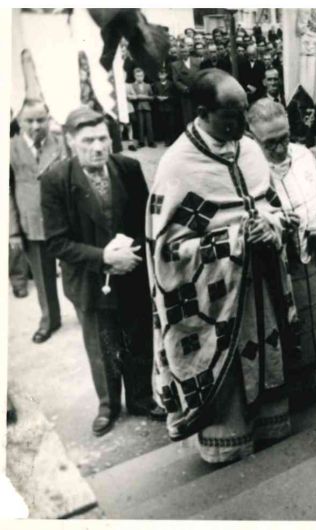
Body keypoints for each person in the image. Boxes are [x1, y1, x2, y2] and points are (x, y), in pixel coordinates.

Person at [147, 69, 295, 462]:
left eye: (244, 113)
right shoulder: (178, 165)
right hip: (214, 299)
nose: (241, 125)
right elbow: (168, 251)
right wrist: (233, 241)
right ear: (202, 113)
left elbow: (274, 205)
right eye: (231, 117)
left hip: (260, 282)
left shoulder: (249, 150)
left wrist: (272, 224)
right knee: (226, 368)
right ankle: (228, 444)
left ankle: (269, 426)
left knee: (266, 348)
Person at [40, 107, 164, 436]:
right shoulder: (56, 181)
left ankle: (141, 397)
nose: (98, 147)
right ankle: (108, 404)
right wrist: (104, 258)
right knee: (102, 343)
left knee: (137, 336)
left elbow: (145, 221)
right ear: (70, 141)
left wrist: (131, 253)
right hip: (89, 280)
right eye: (88, 141)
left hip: (132, 271)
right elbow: (56, 242)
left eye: (103, 138)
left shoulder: (128, 168)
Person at [246, 99, 316, 409]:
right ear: (252, 137)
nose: (279, 148)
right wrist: (277, 225)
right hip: (280, 264)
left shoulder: (303, 156)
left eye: (284, 138)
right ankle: (297, 394)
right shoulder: (248, 170)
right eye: (270, 143)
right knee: (291, 324)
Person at [9, 99, 67, 343]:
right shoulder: (9, 148)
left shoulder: (61, 143)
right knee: (43, 277)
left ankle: (87, 315)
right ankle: (50, 319)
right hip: (31, 221)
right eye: (29, 120)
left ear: (48, 118)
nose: (36, 126)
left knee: (76, 274)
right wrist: (12, 231)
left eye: (41, 120)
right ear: (19, 121)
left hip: (63, 220)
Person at [171, 46, 201, 126]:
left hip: (197, 92)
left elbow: (202, 75)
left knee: (198, 114)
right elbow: (176, 80)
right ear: (179, 54)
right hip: (185, 94)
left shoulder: (198, 61)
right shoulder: (175, 65)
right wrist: (185, 88)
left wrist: (198, 87)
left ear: (189, 52)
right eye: (182, 52)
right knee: (187, 116)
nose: (184, 54)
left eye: (185, 51)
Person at [126, 67, 156, 148]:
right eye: (138, 76)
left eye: (141, 75)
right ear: (134, 76)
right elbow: (130, 96)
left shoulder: (148, 85)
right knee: (140, 125)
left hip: (147, 107)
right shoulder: (131, 85)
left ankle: (151, 141)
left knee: (149, 125)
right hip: (137, 107)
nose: (140, 77)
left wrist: (145, 97)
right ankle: (141, 142)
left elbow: (152, 97)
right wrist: (137, 97)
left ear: (144, 76)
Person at [153, 67, 178, 145]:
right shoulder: (155, 84)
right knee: (164, 124)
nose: (161, 76)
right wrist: (157, 97)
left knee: (171, 124)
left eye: (163, 74)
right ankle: (167, 140)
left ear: (166, 75)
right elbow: (153, 95)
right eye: (160, 74)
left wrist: (168, 98)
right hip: (161, 107)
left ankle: (173, 140)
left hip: (170, 106)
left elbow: (175, 95)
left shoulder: (171, 84)